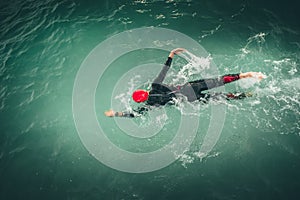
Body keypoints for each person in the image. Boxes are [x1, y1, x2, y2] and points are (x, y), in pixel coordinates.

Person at [105, 48, 265, 117]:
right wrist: (171, 55)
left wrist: (116, 114)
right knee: (219, 81)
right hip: (191, 87)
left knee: (222, 97)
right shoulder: (154, 87)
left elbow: (135, 114)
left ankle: (247, 95)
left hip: (191, 99)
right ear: (145, 92)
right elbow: (164, 70)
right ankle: (245, 75)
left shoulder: (151, 104)